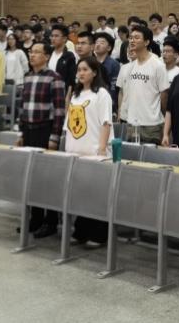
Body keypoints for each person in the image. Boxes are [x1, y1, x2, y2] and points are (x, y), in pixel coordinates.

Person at [18, 42, 66, 238]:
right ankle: (35, 218)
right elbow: (22, 107)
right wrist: (21, 133)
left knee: (48, 178)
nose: (32, 55)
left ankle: (51, 221)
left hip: (44, 131)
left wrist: (54, 137)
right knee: (32, 177)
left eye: (37, 52)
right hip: (28, 131)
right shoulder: (27, 77)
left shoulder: (55, 78)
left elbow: (60, 110)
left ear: (46, 56)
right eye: (31, 52)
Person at [64, 55, 113, 247]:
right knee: (81, 193)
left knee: (97, 194)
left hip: (95, 152)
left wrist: (101, 149)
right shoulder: (76, 95)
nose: (81, 73)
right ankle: (81, 232)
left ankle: (99, 235)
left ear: (94, 72)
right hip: (76, 150)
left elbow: (106, 123)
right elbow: (69, 125)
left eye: (85, 69)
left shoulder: (101, 94)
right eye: (79, 70)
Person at [116, 25, 170, 144]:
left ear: (146, 42)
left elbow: (164, 94)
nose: (132, 40)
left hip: (152, 124)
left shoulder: (158, 65)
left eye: (136, 38)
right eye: (131, 38)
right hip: (132, 123)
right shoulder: (130, 66)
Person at [92, 31, 120, 110]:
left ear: (109, 48)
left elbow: (114, 87)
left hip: (106, 102)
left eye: (102, 43)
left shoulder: (114, 64)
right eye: (96, 42)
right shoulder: (90, 62)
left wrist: (112, 105)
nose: (98, 45)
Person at [49, 23, 77, 93]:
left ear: (64, 38)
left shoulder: (69, 56)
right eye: (52, 36)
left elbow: (71, 80)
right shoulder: (47, 54)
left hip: (61, 92)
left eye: (56, 36)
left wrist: (68, 95)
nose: (53, 38)